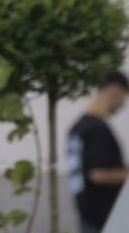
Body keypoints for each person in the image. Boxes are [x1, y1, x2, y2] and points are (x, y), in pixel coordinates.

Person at [71, 71, 129, 233]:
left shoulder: (77, 128)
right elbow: (98, 174)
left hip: (87, 216)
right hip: (104, 219)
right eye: (124, 97)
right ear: (114, 90)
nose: (123, 105)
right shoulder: (97, 129)